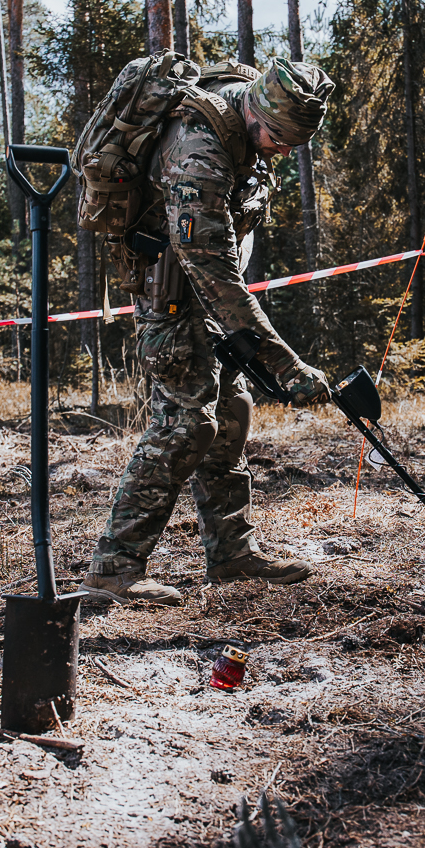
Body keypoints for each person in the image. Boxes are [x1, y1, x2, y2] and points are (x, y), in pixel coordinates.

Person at [83, 56, 335, 606]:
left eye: (294, 143)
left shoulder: (249, 114)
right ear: (255, 114)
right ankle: (114, 569)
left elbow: (222, 269)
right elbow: (212, 268)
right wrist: (286, 363)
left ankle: (232, 554)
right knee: (185, 423)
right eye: (279, 138)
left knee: (230, 419)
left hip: (208, 298)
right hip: (170, 300)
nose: (284, 151)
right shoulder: (198, 152)